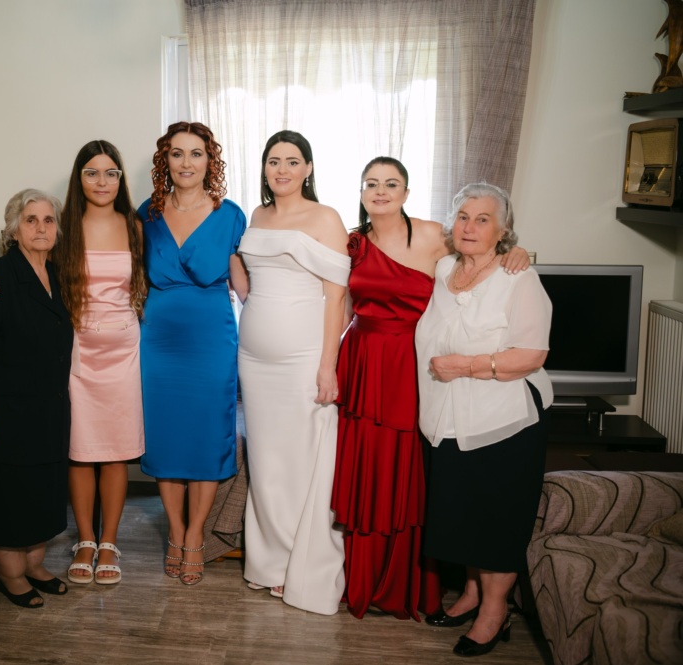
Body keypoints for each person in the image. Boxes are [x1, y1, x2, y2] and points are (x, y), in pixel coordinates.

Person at [331, 157, 529, 620]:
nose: (381, 191)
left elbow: (482, 251)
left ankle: (405, 583)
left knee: (408, 469)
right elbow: (337, 305)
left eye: (391, 183)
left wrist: (517, 252)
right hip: (362, 361)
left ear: (406, 192)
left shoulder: (436, 236)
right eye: (371, 184)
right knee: (367, 467)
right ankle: (361, 577)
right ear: (361, 193)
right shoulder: (351, 243)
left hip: (411, 363)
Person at [416, 182, 551, 656]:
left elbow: (532, 354)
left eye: (483, 219)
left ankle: (496, 611)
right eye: (463, 217)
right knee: (465, 513)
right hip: (447, 419)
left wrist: (467, 365)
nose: (470, 227)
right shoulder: (443, 269)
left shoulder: (519, 278)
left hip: (503, 422)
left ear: (503, 230)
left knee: (495, 521)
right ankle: (473, 593)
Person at [235, 130, 350, 615]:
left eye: (292, 161)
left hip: (304, 358)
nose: (282, 169)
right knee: (265, 460)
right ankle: (269, 562)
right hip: (253, 359)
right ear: (264, 168)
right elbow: (247, 279)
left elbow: (337, 298)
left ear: (308, 168)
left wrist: (328, 365)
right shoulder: (256, 216)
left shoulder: (326, 218)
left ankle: (304, 565)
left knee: (302, 460)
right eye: (273, 161)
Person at [139, 121, 246, 586]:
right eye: (177, 153)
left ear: (210, 161)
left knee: (206, 436)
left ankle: (196, 533)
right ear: (165, 160)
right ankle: (176, 530)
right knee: (165, 437)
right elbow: (130, 276)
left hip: (211, 340)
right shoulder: (146, 214)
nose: (186, 163)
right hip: (159, 341)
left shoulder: (231, 215)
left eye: (196, 153)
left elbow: (244, 284)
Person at [0, 188, 73, 609]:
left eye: (48, 220)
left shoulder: (56, 276)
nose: (41, 228)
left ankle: (34, 566)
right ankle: (11, 576)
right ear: (13, 230)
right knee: (9, 495)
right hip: (6, 411)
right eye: (30, 220)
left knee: (41, 491)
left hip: (47, 410)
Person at [53, 141, 146, 585]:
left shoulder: (134, 225)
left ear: (120, 179)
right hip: (78, 351)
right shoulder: (63, 226)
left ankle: (109, 541)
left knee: (116, 449)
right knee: (81, 448)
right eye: (92, 173)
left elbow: (145, 286)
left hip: (124, 349)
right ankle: (85, 540)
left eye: (111, 173)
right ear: (79, 178)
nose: (102, 181)